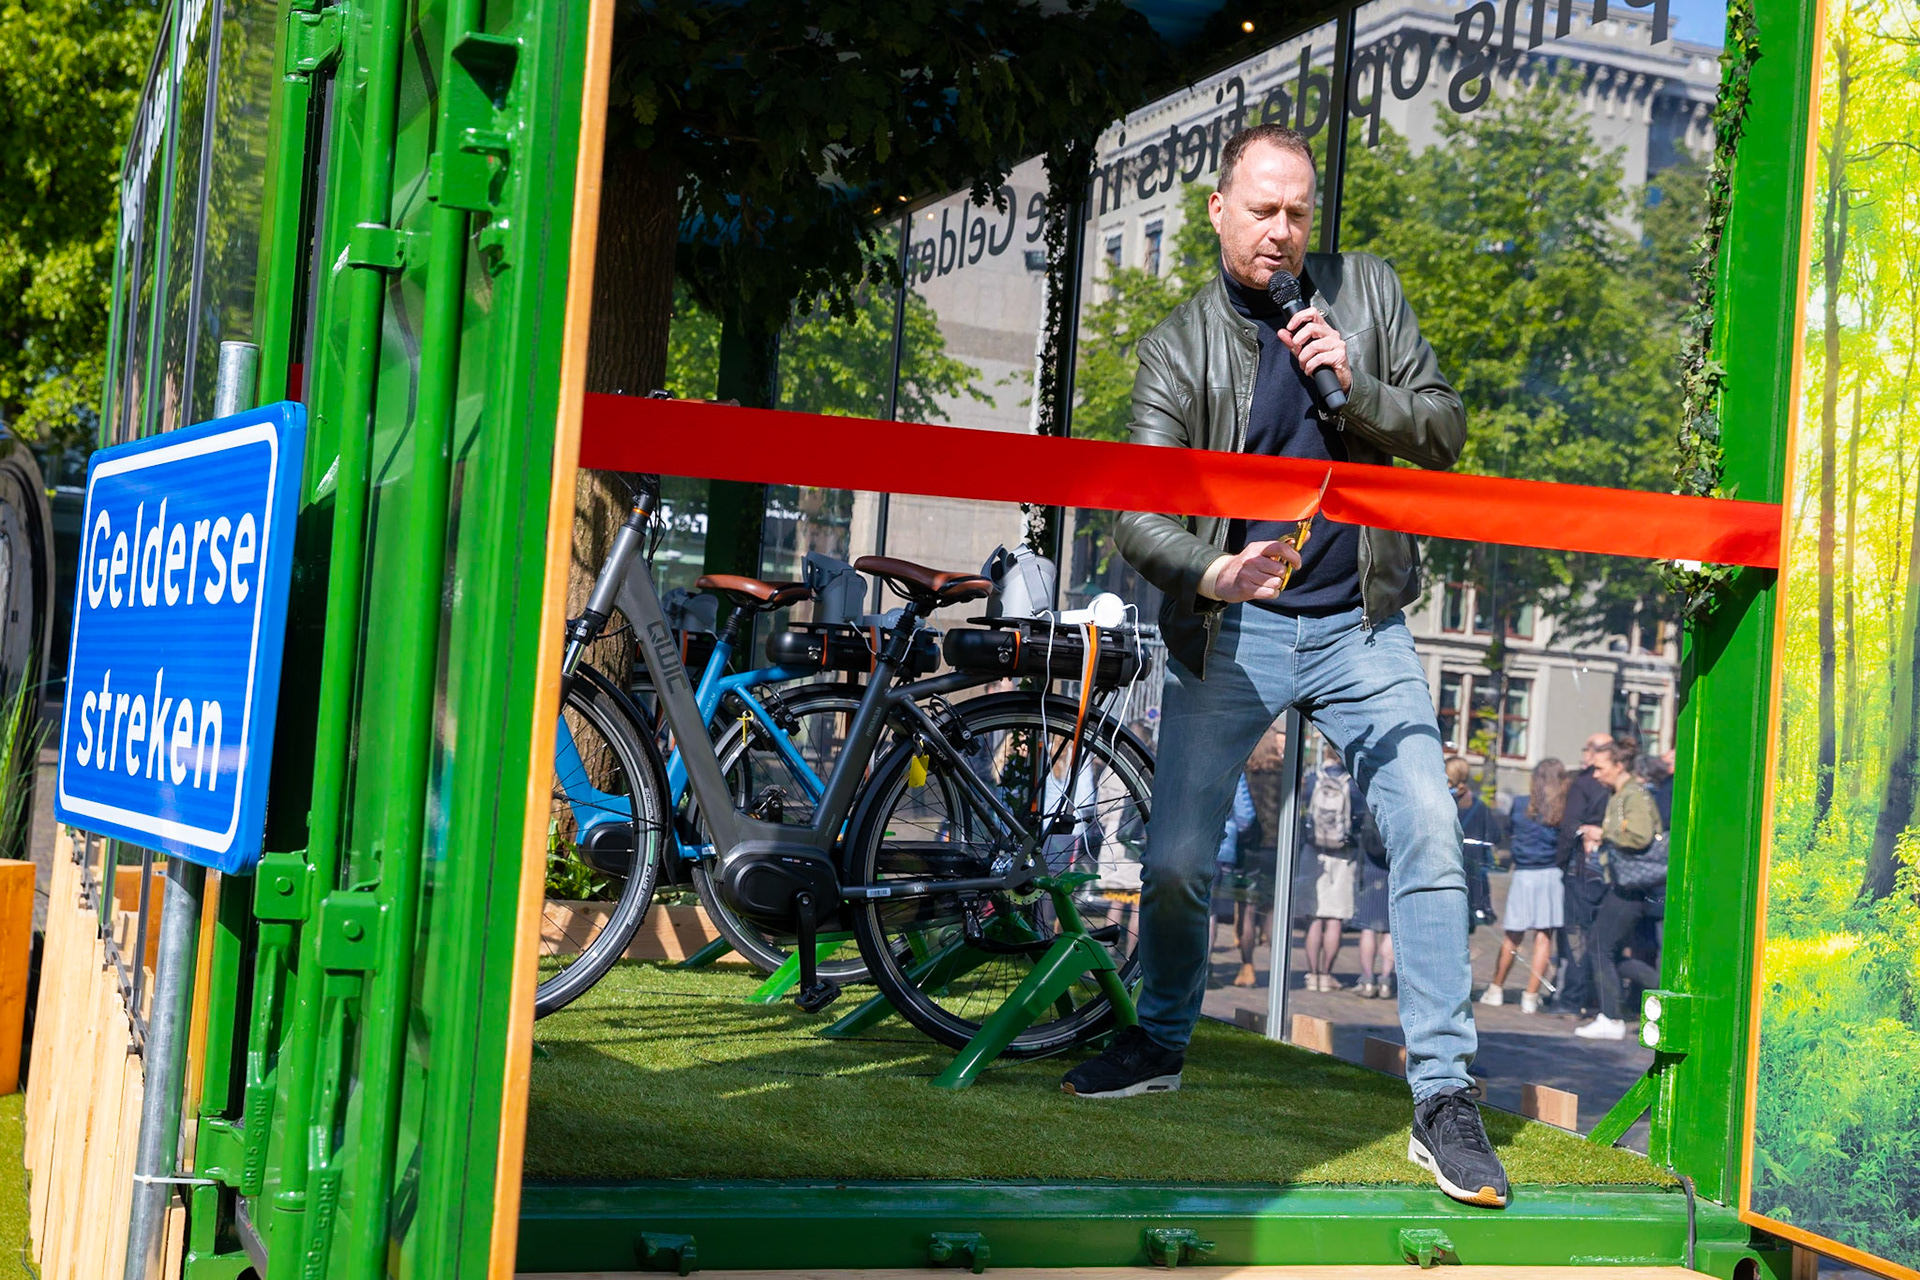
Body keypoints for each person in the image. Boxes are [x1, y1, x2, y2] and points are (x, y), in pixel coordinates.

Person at [1063, 122, 1509, 1209]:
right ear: (1218, 212)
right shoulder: (1178, 347)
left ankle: (1445, 1096)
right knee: (1171, 861)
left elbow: (1444, 429)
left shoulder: (1370, 294)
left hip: (1365, 621)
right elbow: (1137, 511)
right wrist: (1214, 573)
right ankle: (1162, 1033)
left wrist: (1354, 390)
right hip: (1235, 627)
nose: (1281, 231)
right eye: (1261, 210)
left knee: (1427, 826)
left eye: (1298, 212)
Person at [1574, 740, 1664, 1040]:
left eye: (1600, 768)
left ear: (1619, 766)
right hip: (1625, 884)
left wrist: (1603, 833)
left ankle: (1612, 1018)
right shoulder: (1620, 794)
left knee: (1601, 947)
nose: (1595, 774)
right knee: (1603, 948)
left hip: (1630, 887)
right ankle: (1662, 992)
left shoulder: (1631, 795)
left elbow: (1639, 836)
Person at [1479, 758, 1567, 1013]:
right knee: (1543, 938)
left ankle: (1496, 988)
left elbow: (1508, 833)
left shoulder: (1519, 804)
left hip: (1524, 874)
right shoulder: (1561, 808)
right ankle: (1530, 995)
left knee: (1512, 936)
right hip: (1550, 874)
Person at [1553, 733, 1615, 1015]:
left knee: (1577, 931)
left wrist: (1560, 861)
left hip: (1583, 867)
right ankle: (1591, 995)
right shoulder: (1618, 785)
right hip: (1608, 867)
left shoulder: (1586, 784)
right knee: (1596, 932)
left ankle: (1573, 997)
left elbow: (1570, 826)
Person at [1300, 744, 1363, 991]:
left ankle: (1312, 974)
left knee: (1315, 916)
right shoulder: (1354, 784)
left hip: (1314, 853)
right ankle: (1326, 975)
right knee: (1335, 918)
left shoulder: (1313, 779)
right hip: (1343, 855)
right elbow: (1359, 818)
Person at [1447, 757, 1500, 928]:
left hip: (1451, 867)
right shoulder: (1478, 805)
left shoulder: (1445, 804)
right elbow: (1495, 835)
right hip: (1474, 870)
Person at [1350, 806, 1394, 999]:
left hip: (1369, 867)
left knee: (1368, 928)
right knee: (1389, 930)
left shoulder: (1370, 803)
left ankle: (1367, 980)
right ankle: (1385, 981)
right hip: (1393, 869)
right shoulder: (1398, 802)